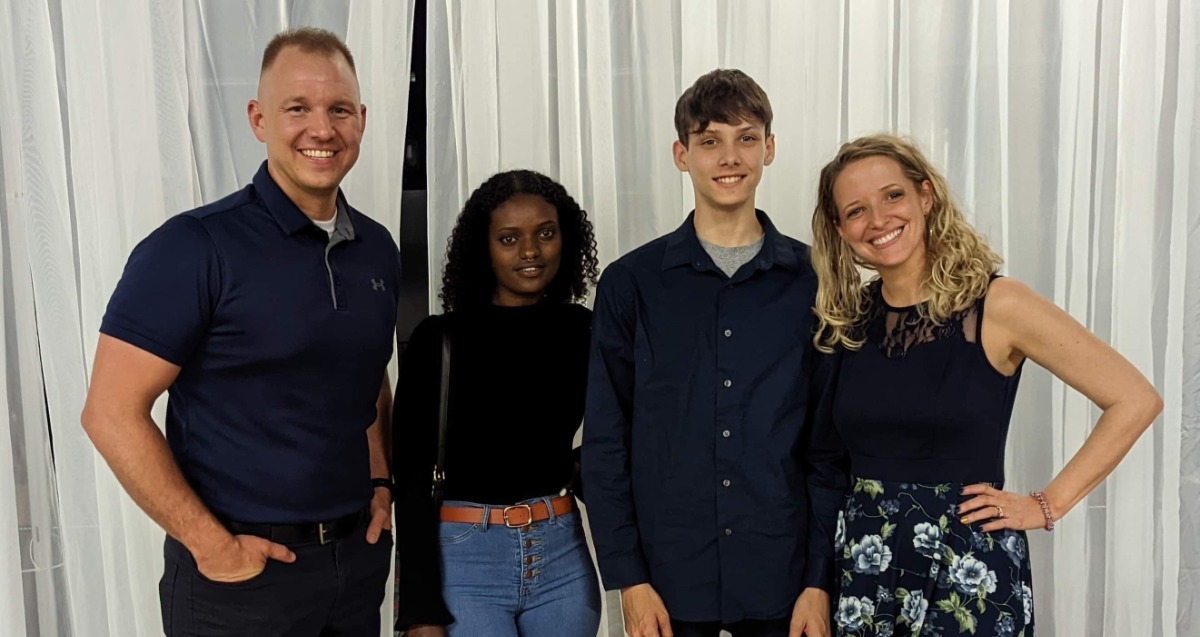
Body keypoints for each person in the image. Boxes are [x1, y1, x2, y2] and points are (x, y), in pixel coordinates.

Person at [80, 28, 400, 636]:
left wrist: (381, 478)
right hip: (239, 583)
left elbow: (365, 370)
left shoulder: (377, 247)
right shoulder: (193, 247)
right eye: (297, 108)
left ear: (361, 120)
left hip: (355, 565)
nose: (322, 129)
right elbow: (109, 412)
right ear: (258, 119)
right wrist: (211, 545)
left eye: (339, 110)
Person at [806, 134, 1162, 636]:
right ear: (840, 229)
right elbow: (825, 462)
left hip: (966, 567)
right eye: (856, 210)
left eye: (893, 196)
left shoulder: (998, 304)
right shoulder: (848, 319)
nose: (879, 219)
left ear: (925, 196)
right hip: (865, 567)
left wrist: (1047, 504)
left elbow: (1135, 398)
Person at [584, 69, 833, 637]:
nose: (729, 157)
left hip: (784, 576)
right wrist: (628, 578)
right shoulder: (630, 284)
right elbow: (606, 440)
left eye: (746, 138)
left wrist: (819, 580)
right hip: (667, 580)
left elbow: (829, 445)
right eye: (709, 140)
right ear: (682, 154)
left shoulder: (815, 281)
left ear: (769, 148)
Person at [393, 170, 602, 637]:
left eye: (545, 234)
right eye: (509, 239)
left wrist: (572, 467)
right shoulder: (438, 340)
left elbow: (623, 431)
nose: (530, 251)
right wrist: (420, 612)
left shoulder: (584, 330)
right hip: (464, 561)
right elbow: (410, 481)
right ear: (482, 249)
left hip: (561, 556)